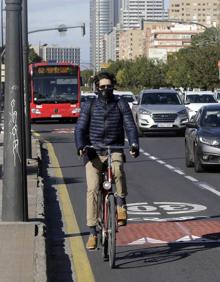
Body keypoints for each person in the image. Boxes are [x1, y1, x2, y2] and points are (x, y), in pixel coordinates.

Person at [75, 71, 139, 250]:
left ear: (113, 87)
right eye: (102, 87)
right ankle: (92, 232)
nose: (105, 89)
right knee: (93, 189)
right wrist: (81, 146)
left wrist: (134, 145)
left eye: (108, 86)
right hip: (93, 151)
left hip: (114, 148)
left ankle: (120, 204)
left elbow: (130, 126)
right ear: (97, 88)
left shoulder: (121, 104)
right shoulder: (89, 105)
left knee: (118, 170)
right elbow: (80, 128)